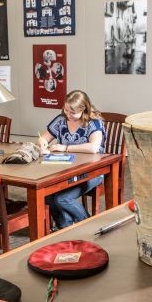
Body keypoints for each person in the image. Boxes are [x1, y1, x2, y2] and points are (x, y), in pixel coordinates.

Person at [37, 90, 105, 230]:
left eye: (72, 112)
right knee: (47, 196)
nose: (68, 115)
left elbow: (93, 147)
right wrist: (42, 141)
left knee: (62, 198)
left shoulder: (94, 123)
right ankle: (66, 226)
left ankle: (88, 224)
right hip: (66, 170)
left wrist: (65, 148)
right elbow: (44, 137)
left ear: (84, 109)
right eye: (66, 110)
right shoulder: (61, 120)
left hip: (92, 171)